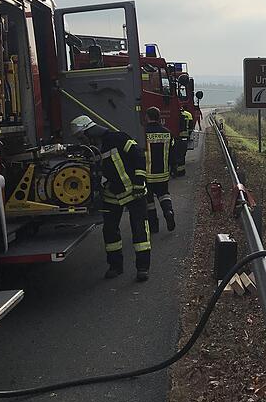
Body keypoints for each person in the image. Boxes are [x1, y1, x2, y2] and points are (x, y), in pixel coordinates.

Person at [71, 115, 151, 280]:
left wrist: (138, 182)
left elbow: (139, 157)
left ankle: (142, 268)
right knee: (110, 232)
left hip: (134, 192)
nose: (81, 140)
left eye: (81, 136)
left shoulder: (119, 138)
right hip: (111, 196)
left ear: (89, 131)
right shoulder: (90, 151)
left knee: (140, 231)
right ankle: (115, 266)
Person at [144, 106, 176, 234]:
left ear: (147, 117)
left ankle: (154, 226)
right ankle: (168, 212)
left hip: (147, 174)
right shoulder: (167, 133)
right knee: (164, 195)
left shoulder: (143, 133)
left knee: (149, 201)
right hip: (163, 174)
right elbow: (173, 153)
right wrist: (173, 168)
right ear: (159, 117)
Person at [175, 108, 193, 176]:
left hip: (176, 138)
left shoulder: (174, 114)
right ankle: (181, 172)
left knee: (175, 155)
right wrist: (188, 135)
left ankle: (175, 170)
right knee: (182, 156)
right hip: (184, 139)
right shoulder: (188, 114)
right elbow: (191, 127)